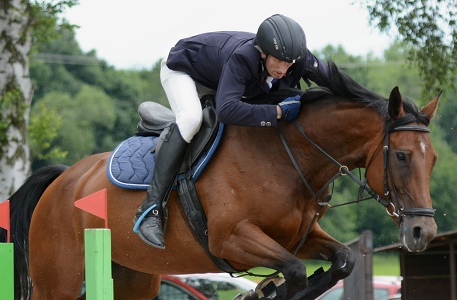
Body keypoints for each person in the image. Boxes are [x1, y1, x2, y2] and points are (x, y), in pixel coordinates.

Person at [133, 14, 331, 249]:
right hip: (185, 72)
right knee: (191, 120)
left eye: (290, 63)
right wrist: (276, 113)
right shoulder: (242, 58)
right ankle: (150, 208)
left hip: (225, 78)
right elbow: (227, 111)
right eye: (279, 61)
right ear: (263, 53)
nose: (284, 69)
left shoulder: (296, 59)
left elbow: (336, 84)